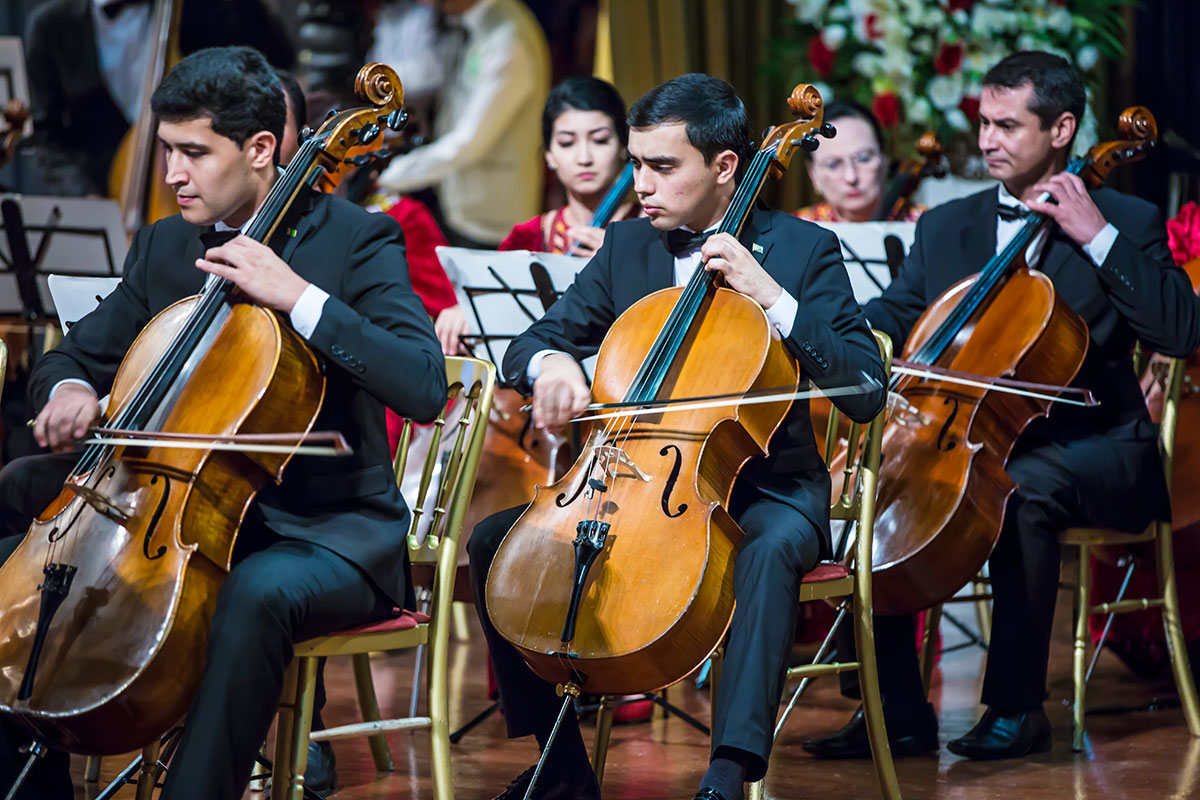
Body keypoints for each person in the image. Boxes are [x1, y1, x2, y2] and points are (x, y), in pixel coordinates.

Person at [0, 46, 446, 800]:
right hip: (178, 511)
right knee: (18, 531)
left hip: (322, 529)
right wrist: (72, 385)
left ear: (262, 149)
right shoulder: (168, 244)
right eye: (168, 149)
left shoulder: (355, 240)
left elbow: (423, 386)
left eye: (193, 152)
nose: (171, 172)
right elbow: (77, 353)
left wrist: (299, 296)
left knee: (254, 594)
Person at [466, 73, 887, 800]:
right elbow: (534, 339)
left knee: (768, 551)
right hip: (638, 482)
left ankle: (728, 773)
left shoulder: (803, 250)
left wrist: (774, 298)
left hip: (767, 486)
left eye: (663, 167)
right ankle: (562, 768)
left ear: (726, 167)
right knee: (493, 543)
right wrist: (553, 362)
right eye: (637, 162)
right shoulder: (629, 246)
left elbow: (865, 390)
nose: (641, 183)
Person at [803, 50, 1200, 762]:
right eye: (983, 122)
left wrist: (1095, 236)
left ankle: (1019, 708)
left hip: (1096, 446)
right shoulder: (947, 226)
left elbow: (1181, 330)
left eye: (1007, 125)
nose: (987, 139)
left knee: (1020, 493)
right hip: (970, 436)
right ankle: (897, 713)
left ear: (1062, 130)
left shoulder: (1126, 219)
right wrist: (835, 328)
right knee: (875, 489)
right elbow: (897, 312)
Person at [23, 0, 295, 196]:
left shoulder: (202, 8)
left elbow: (278, 58)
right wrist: (85, 197)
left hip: (204, 199)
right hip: (99, 201)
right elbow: (45, 135)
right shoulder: (51, 26)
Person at [374, 0, 551, 247]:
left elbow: (469, 141)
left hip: (491, 219)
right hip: (458, 202)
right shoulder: (470, 24)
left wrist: (390, 176)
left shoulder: (509, 40)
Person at [498, 76, 637, 257]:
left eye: (600, 140)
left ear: (622, 146)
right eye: (567, 143)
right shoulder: (525, 239)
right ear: (549, 155)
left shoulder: (657, 230)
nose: (584, 158)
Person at [794, 100, 923, 224]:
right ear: (813, 174)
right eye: (833, 164)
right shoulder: (795, 230)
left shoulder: (925, 225)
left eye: (863, 158)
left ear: (885, 159)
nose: (851, 177)